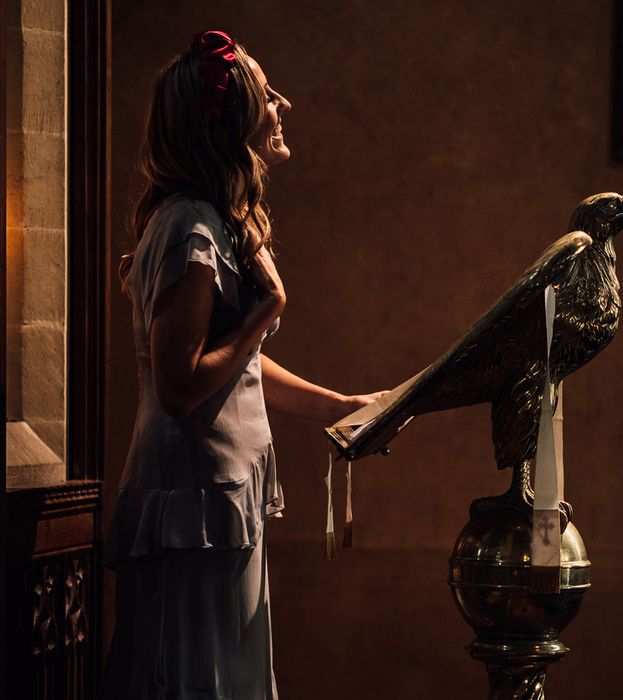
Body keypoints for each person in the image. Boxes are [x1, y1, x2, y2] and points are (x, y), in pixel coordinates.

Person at [100, 30, 382, 700]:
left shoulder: (214, 221)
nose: (282, 104)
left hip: (218, 503)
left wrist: (343, 407)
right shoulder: (193, 228)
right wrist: (270, 304)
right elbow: (181, 386)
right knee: (198, 684)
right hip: (192, 509)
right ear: (227, 124)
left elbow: (240, 370)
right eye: (265, 93)